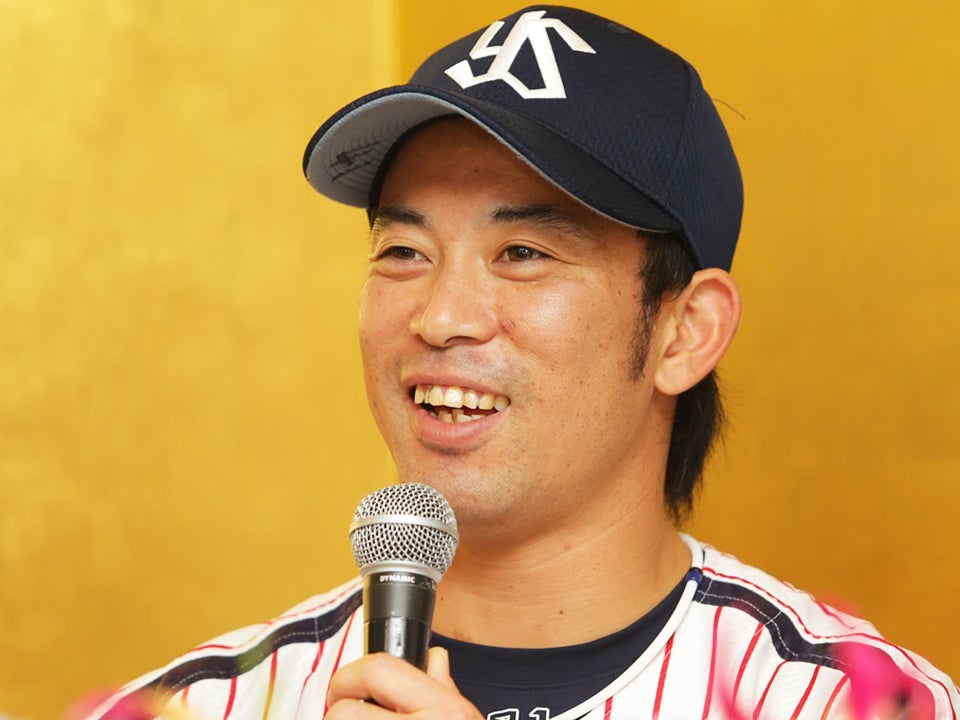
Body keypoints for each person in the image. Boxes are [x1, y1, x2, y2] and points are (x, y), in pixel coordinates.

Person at [86, 6, 958, 719]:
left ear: (685, 332)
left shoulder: (842, 703)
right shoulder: (204, 705)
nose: (441, 317)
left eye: (524, 254)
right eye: (403, 252)